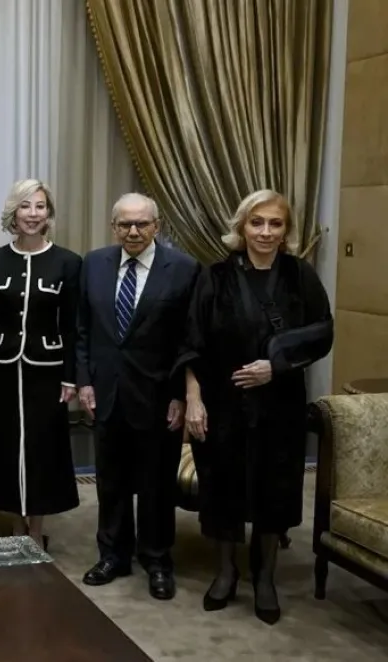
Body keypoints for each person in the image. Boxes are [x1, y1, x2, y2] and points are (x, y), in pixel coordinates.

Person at [179, 189, 333, 625]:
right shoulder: (215, 276)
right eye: (257, 222)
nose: (265, 232)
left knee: (275, 489)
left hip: (279, 405)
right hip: (224, 403)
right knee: (223, 486)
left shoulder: (300, 275)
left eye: (275, 224)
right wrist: (193, 399)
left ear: (285, 230)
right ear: (241, 226)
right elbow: (191, 341)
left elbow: (322, 333)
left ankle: (265, 577)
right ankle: (226, 571)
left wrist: (276, 365)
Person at [76, 192, 200, 600]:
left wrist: (182, 395)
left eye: (141, 224)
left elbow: (189, 339)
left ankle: (158, 559)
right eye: (125, 224)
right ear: (113, 227)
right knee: (110, 481)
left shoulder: (183, 269)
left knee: (155, 483)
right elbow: (82, 329)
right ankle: (113, 554)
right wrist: (84, 381)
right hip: (106, 391)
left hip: (158, 396)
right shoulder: (93, 264)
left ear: (156, 226)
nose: (133, 231)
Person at [0, 180, 81, 550]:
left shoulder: (68, 262)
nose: (33, 214)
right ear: (13, 214)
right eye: (25, 206)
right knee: (6, 446)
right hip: (5, 367)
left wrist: (72, 377)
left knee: (42, 448)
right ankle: (14, 527)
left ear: (49, 214)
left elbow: (72, 326)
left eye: (40, 207)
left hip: (47, 370)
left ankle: (35, 531)